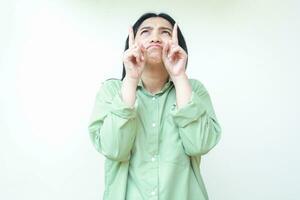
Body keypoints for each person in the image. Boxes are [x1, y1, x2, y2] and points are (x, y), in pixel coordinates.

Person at [88, 12, 222, 200]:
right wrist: (132, 78)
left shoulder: (193, 90)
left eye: (165, 32)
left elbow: (199, 145)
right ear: (132, 43)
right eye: (146, 32)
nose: (155, 38)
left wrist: (179, 76)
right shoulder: (112, 91)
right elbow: (114, 149)